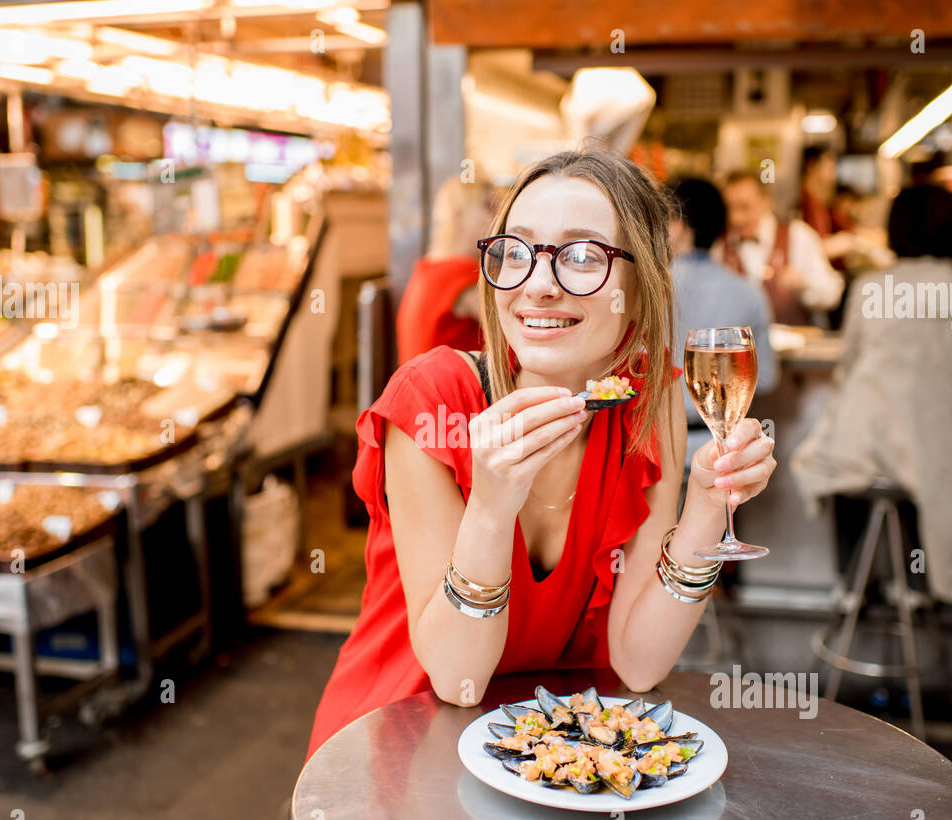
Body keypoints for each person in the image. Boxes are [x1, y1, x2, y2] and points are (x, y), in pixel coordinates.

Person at [306, 147, 777, 760]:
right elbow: (457, 678)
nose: (540, 285)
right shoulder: (433, 400)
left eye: (583, 256)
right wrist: (492, 507)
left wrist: (708, 509)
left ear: (640, 290)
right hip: (401, 741)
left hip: (544, 752)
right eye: (517, 251)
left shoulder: (648, 396)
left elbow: (638, 664)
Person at [789, 185, 952, 606]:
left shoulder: (869, 288)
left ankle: (852, 583)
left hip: (859, 449)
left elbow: (847, 370)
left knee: (849, 451)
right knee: (924, 458)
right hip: (935, 456)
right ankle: (915, 585)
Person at [668, 177, 778, 462]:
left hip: (656, 443)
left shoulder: (647, 290)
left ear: (677, 226)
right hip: (724, 447)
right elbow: (766, 379)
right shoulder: (749, 293)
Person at [720, 170, 844, 326]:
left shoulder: (798, 235)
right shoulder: (720, 246)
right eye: (730, 208)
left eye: (744, 207)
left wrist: (804, 284)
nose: (735, 217)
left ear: (766, 201)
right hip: (740, 348)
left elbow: (832, 294)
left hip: (794, 345)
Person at [394, 176, 496, 364]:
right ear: (458, 217)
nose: (496, 216)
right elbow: (508, 330)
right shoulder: (459, 273)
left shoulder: (431, 266)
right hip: (444, 390)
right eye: (488, 206)